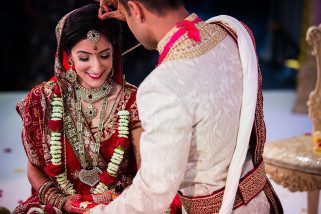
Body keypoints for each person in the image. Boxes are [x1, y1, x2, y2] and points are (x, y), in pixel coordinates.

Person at [88, 0, 284, 213]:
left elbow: (153, 193)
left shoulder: (163, 85)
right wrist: (131, 15)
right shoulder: (230, 32)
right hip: (262, 200)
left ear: (135, 9)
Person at [13, 4, 143, 213]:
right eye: (84, 57)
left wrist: (113, 202)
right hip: (59, 203)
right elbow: (34, 168)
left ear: (114, 52)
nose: (96, 67)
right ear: (68, 55)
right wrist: (61, 202)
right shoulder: (43, 99)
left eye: (104, 55)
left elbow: (146, 171)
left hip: (118, 204)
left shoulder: (131, 100)